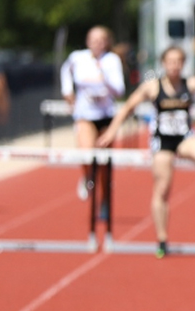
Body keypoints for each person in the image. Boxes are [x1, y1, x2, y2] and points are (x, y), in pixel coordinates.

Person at [96, 47, 195, 258]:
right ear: (163, 63)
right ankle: (162, 239)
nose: (174, 66)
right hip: (162, 140)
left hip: (184, 137)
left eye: (178, 62)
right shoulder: (153, 87)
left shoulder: (191, 83)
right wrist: (112, 131)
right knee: (162, 189)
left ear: (183, 64)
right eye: (170, 62)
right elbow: (128, 107)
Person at [61, 26, 125, 202]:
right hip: (84, 115)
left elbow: (119, 90)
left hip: (105, 115)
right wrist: (68, 92)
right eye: (93, 39)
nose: (97, 43)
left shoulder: (112, 60)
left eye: (100, 39)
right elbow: (65, 71)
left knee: (104, 162)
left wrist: (103, 76)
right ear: (87, 41)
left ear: (106, 42)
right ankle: (88, 176)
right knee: (86, 153)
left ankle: (105, 198)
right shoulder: (77, 58)